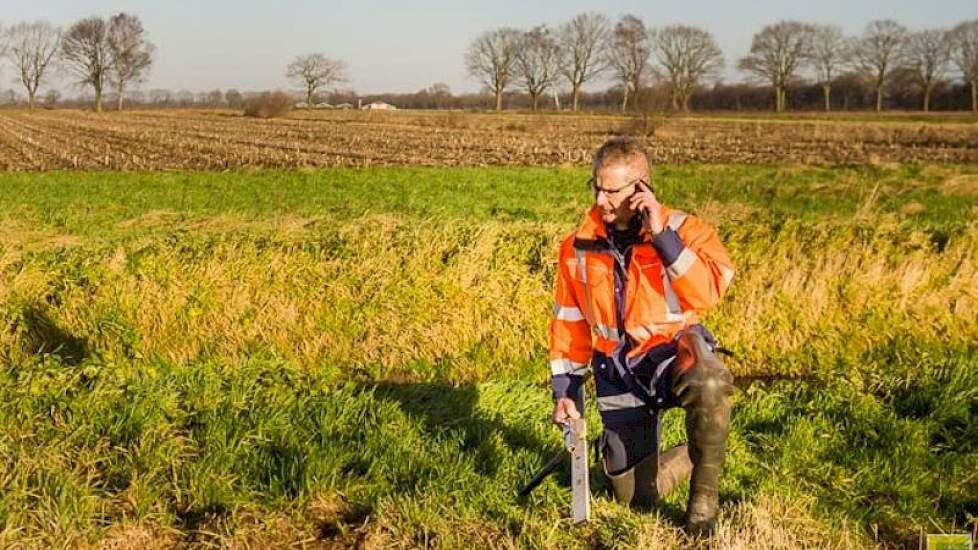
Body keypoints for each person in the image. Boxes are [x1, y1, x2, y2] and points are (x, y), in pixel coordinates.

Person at [548, 136, 736, 536]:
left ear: (641, 189)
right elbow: (569, 323)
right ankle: (703, 448)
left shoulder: (687, 230)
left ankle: (703, 504)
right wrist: (566, 391)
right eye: (596, 188)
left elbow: (707, 292)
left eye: (611, 191)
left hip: (670, 354)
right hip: (616, 370)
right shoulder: (576, 246)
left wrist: (663, 237)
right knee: (633, 500)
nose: (600, 200)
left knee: (710, 381)